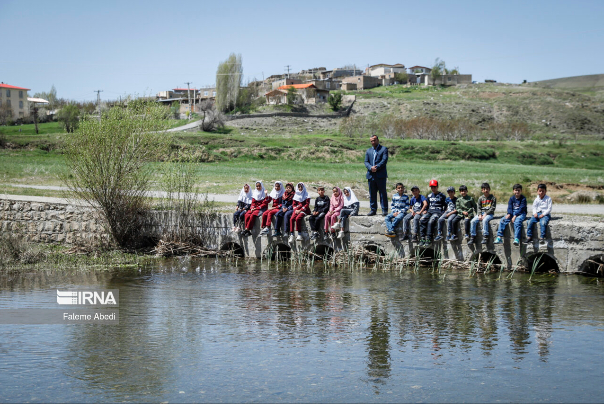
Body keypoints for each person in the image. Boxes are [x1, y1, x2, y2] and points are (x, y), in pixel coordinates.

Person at [364, 135, 388, 216]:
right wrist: (371, 168)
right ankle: (373, 210)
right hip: (371, 175)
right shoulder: (368, 151)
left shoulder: (383, 149)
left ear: (378, 140)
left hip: (380, 175)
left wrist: (377, 167)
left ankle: (384, 210)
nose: (373, 142)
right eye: (371, 141)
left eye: (374, 140)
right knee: (372, 193)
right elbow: (366, 162)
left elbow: (384, 160)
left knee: (382, 193)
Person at [420, 179, 447, 246]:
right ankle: (423, 238)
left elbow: (446, 205)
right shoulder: (429, 196)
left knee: (431, 221)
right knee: (422, 219)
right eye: (432, 187)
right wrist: (425, 210)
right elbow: (427, 205)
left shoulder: (442, 196)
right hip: (430, 211)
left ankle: (429, 239)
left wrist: (444, 212)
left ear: (437, 187)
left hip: (437, 212)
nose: (433, 189)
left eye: (434, 187)